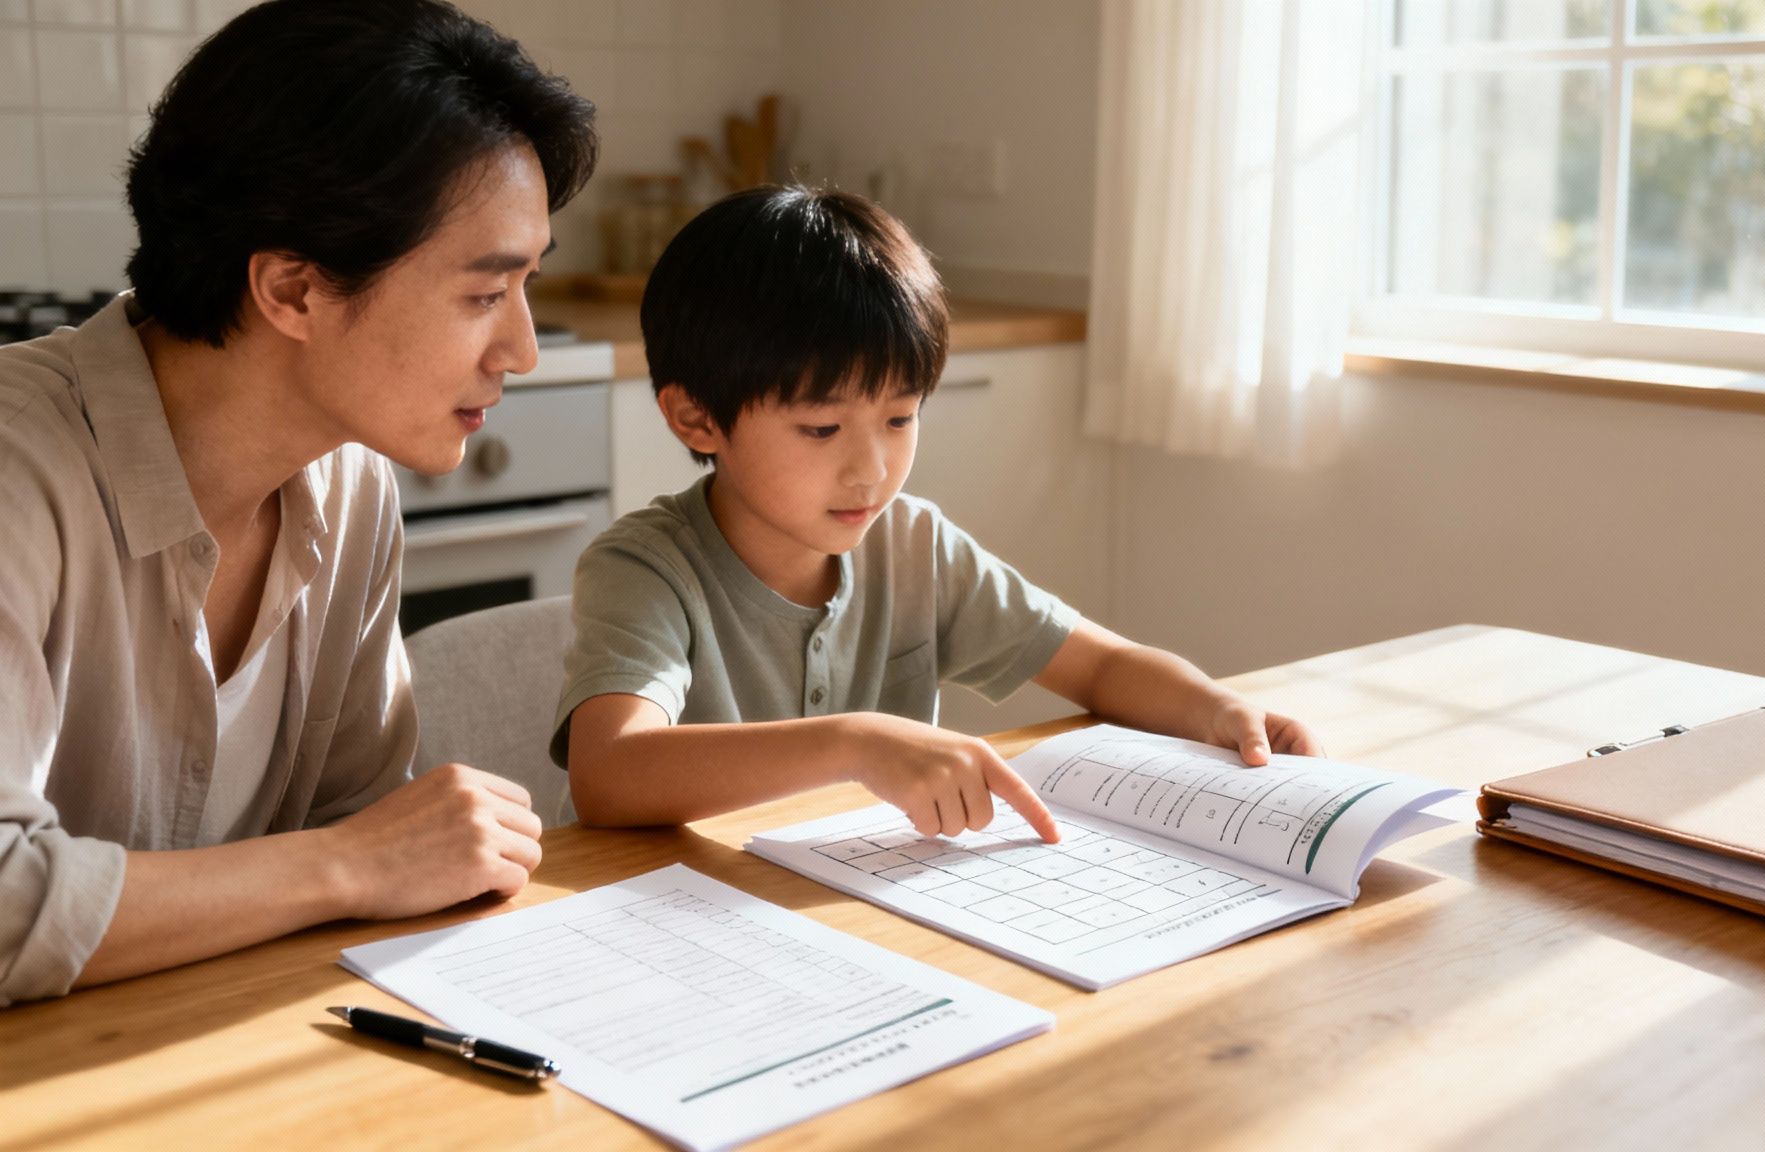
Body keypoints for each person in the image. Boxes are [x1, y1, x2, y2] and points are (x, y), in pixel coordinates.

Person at [0, 0, 597, 1007]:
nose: (522, 352)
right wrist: (348, 865)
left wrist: (370, 861)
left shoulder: (350, 481)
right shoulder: (21, 474)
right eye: (485, 294)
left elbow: (360, 824)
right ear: (293, 289)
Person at [557, 186, 1325, 841]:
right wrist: (855, 742)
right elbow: (609, 773)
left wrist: (1216, 707)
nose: (873, 468)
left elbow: (1099, 663)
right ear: (697, 420)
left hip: (849, 903)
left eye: (900, 419)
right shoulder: (646, 569)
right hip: (675, 926)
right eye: (821, 429)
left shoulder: (914, 547)